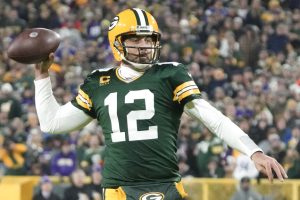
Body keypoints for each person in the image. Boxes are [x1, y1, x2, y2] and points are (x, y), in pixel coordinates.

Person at [34, 8, 287, 200]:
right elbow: (51, 123)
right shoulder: (99, 81)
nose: (144, 46)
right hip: (118, 189)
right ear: (117, 43)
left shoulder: (170, 74)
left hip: (166, 184)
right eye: (136, 39)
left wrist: (254, 151)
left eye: (148, 39)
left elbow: (214, 119)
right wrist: (42, 76)